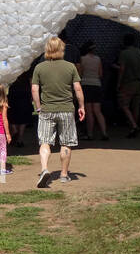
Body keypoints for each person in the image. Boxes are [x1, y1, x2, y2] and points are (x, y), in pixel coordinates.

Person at [31, 36, 85, 187]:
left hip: (47, 110)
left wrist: (38, 106)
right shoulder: (70, 66)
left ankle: (44, 169)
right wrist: (81, 106)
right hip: (66, 110)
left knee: (45, 142)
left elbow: (34, 89)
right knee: (66, 142)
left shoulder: (39, 68)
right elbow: (78, 88)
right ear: (62, 49)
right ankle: (63, 174)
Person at [114, 32, 140, 138]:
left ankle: (134, 126)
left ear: (125, 42)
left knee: (124, 105)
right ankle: (134, 126)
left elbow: (122, 69)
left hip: (128, 83)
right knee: (136, 107)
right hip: (139, 83)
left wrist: (119, 83)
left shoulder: (124, 53)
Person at [78, 40, 108, 141]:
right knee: (98, 111)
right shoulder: (98, 59)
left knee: (89, 111)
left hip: (86, 85)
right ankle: (104, 132)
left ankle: (90, 134)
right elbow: (100, 74)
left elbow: (80, 74)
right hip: (96, 85)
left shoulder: (82, 59)